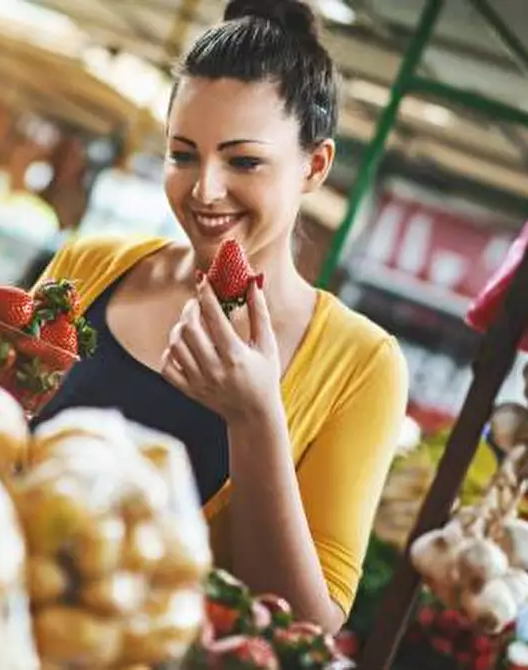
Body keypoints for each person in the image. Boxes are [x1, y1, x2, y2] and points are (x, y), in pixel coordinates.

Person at [30, 0, 408, 631]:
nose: (204, 189)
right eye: (183, 155)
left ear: (315, 166)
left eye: (243, 161)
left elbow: (307, 626)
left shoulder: (362, 364)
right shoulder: (88, 264)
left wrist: (255, 416)